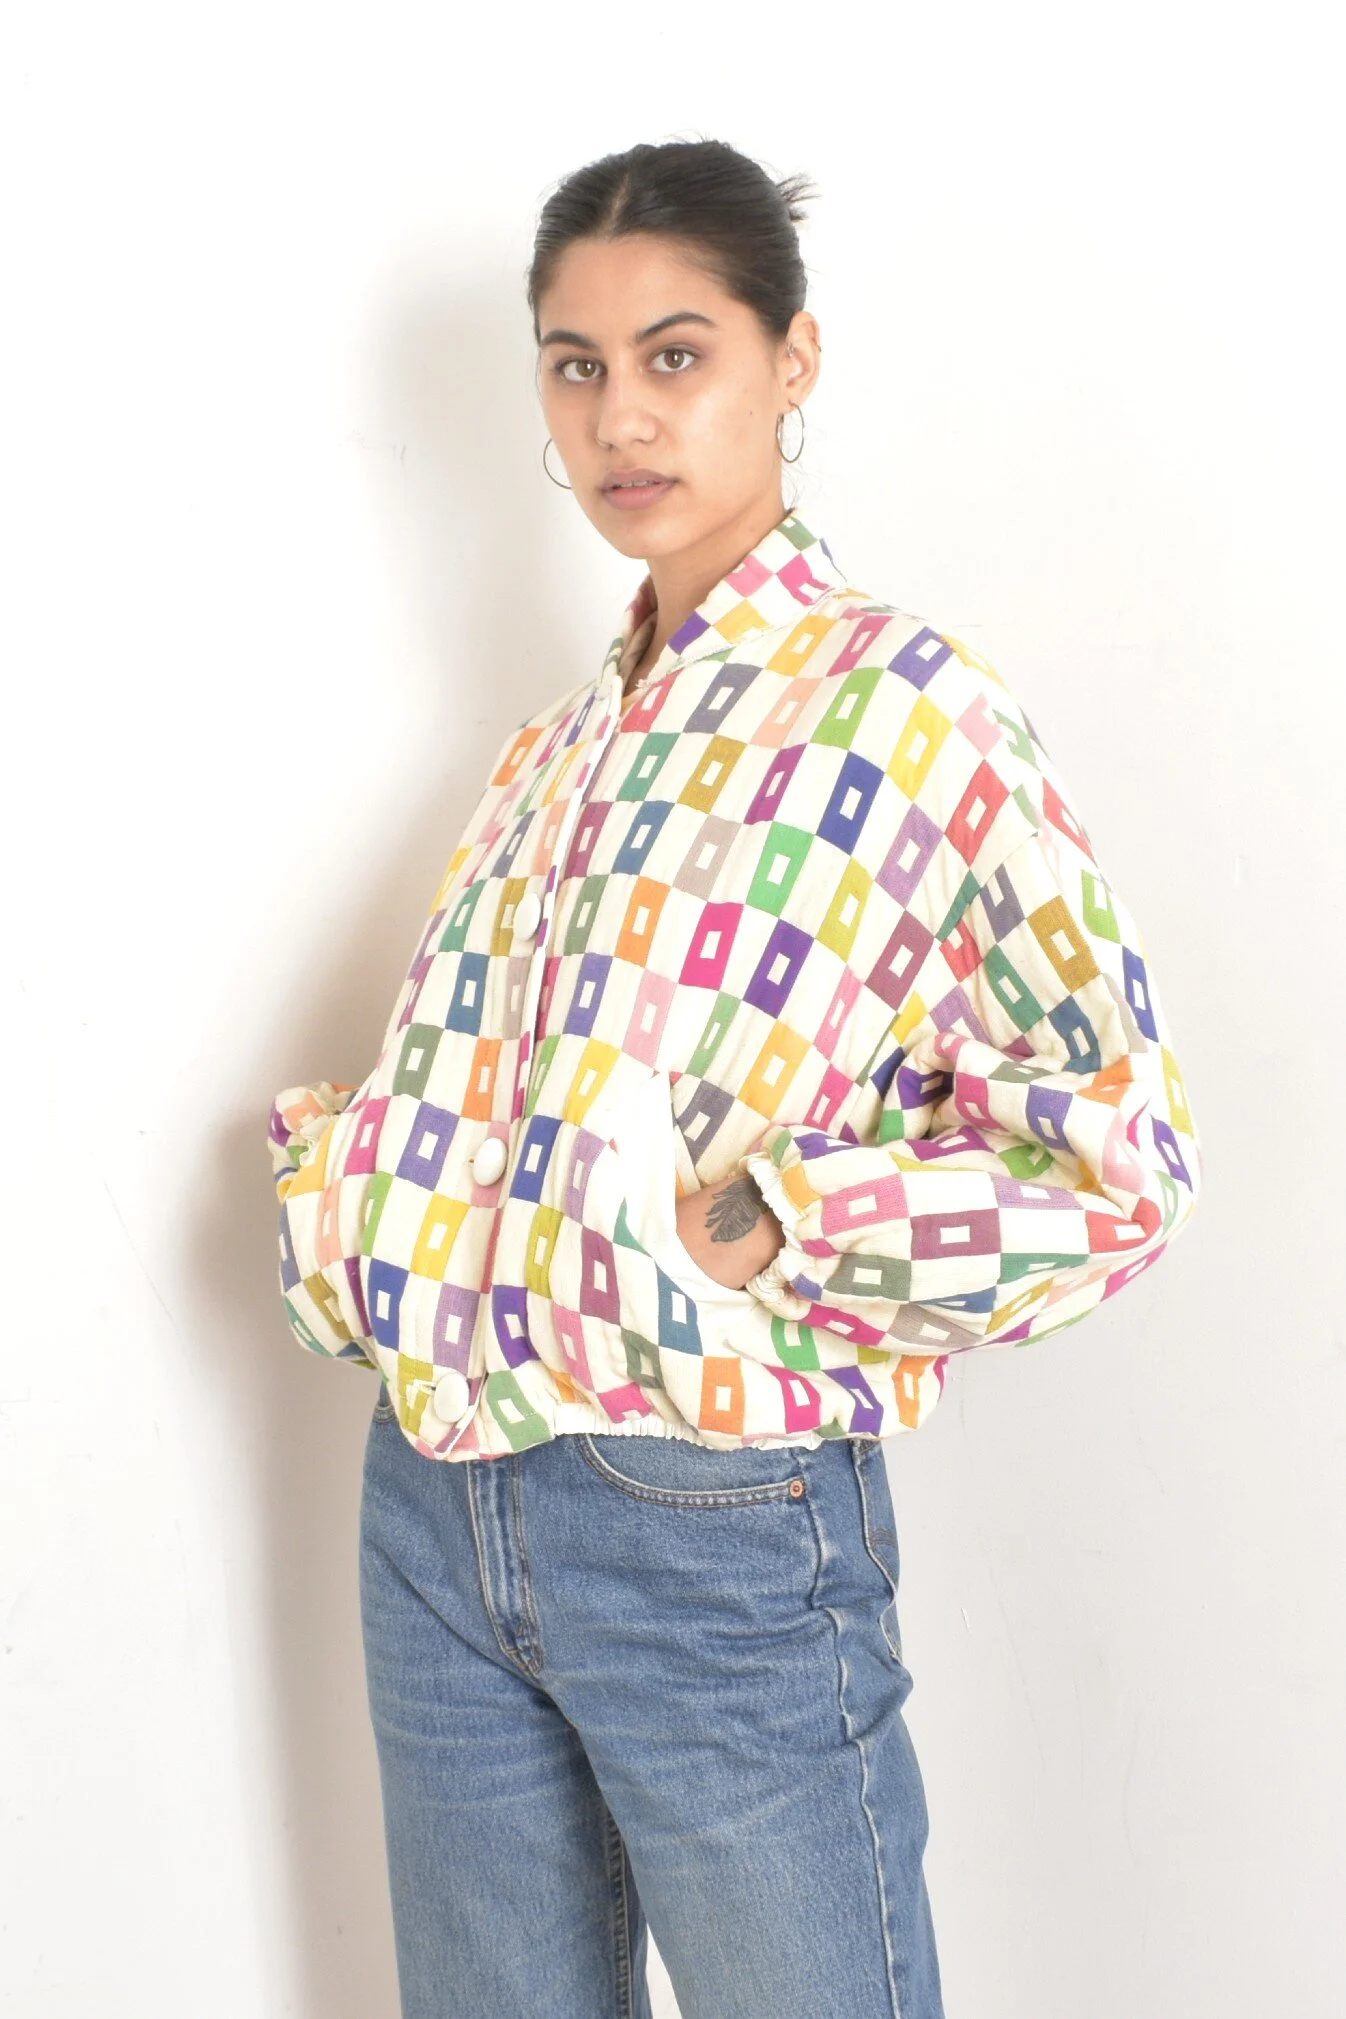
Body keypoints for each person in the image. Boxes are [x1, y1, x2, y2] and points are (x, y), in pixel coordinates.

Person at [267, 138, 1202, 2019]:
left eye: (674, 354)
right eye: (576, 364)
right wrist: (345, 1211)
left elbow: (1118, 1157)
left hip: (706, 1514)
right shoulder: (548, 751)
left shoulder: (906, 709)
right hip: (434, 1505)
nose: (619, 415)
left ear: (793, 360)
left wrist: (790, 1217)